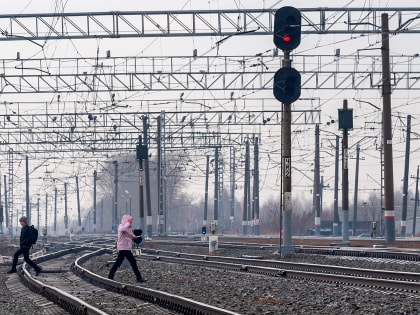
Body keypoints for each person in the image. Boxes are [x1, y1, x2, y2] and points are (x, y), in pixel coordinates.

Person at [108, 214, 147, 283]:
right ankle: (139, 278)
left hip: (126, 248)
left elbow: (131, 236)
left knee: (118, 263)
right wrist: (127, 223)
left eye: (131, 221)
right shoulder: (121, 226)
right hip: (123, 248)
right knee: (133, 262)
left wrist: (136, 237)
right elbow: (123, 229)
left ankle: (110, 276)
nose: (131, 222)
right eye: (130, 220)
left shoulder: (129, 228)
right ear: (126, 220)